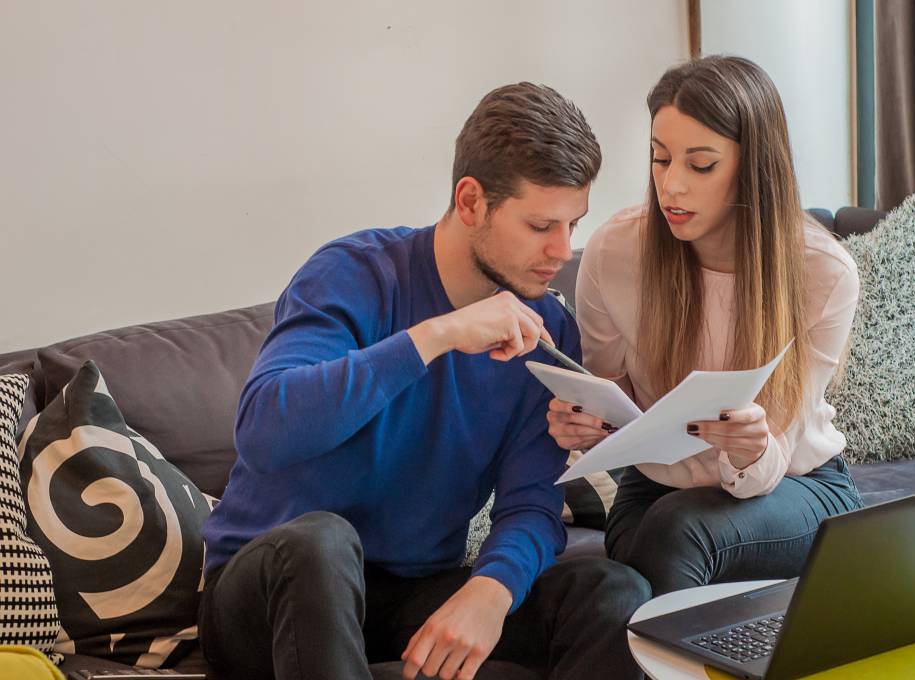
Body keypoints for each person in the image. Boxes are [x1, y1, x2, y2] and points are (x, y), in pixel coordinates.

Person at [198, 82, 650, 680]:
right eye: (541, 225)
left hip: (407, 590)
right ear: (470, 202)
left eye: (573, 225)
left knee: (613, 593)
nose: (562, 251)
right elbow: (265, 429)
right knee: (322, 544)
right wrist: (438, 335)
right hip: (272, 591)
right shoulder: (352, 274)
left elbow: (531, 501)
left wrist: (491, 591)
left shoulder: (547, 330)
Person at [546, 56, 864, 596]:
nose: (671, 187)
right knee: (655, 537)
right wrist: (586, 422)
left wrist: (750, 447)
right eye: (659, 158)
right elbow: (610, 398)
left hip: (797, 485)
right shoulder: (617, 251)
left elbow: (773, 463)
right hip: (654, 490)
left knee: (676, 535)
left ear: (753, 167)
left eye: (700, 165)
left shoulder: (822, 271)